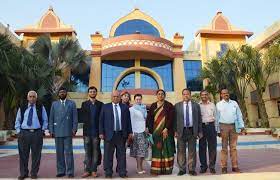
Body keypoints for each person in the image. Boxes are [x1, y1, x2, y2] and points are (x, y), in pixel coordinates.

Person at [15, 90, 48, 180]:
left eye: (34, 97)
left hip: (37, 133)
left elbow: (45, 120)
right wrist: (19, 131)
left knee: (36, 155)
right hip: (24, 133)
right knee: (23, 155)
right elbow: (17, 120)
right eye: (30, 96)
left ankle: (34, 173)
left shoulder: (41, 107)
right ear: (27, 98)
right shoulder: (22, 107)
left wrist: (42, 130)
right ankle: (23, 173)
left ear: (36, 98)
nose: (32, 98)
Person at [99, 90, 133, 178]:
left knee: (121, 155)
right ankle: (108, 172)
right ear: (111, 97)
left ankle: (122, 172)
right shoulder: (105, 107)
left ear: (120, 97)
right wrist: (101, 132)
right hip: (109, 135)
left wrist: (130, 132)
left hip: (121, 135)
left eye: (117, 96)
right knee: (108, 155)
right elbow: (101, 121)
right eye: (114, 96)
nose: (115, 98)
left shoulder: (124, 107)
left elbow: (128, 121)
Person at [49, 87, 78, 178]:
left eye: (63, 92)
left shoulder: (72, 103)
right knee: (59, 152)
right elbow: (51, 118)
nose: (62, 93)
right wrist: (51, 130)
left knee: (69, 152)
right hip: (57, 131)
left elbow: (75, 117)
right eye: (60, 92)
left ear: (66, 93)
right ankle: (61, 171)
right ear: (58, 94)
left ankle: (70, 171)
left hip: (68, 131)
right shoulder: (54, 104)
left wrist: (74, 129)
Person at [146, 89, 175, 175]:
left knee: (167, 149)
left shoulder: (169, 105)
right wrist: (150, 130)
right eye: (159, 94)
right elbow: (149, 119)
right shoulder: (153, 106)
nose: (160, 95)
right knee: (157, 150)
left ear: (165, 95)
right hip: (156, 133)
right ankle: (156, 169)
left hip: (167, 132)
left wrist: (166, 128)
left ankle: (167, 169)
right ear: (157, 95)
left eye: (162, 94)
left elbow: (171, 118)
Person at [174, 88, 202, 176]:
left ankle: (191, 169)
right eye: (184, 94)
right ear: (182, 95)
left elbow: (199, 120)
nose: (186, 95)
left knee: (192, 151)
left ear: (190, 95)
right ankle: (182, 169)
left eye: (187, 94)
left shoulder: (196, 105)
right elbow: (174, 120)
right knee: (181, 151)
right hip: (181, 132)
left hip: (192, 131)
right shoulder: (177, 106)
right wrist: (175, 131)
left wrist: (199, 131)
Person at [216, 88, 245, 174]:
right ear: (221, 95)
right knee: (224, 148)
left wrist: (242, 125)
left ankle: (235, 166)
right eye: (224, 93)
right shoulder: (218, 105)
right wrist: (217, 130)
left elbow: (239, 114)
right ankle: (224, 167)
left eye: (227, 93)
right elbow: (217, 118)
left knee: (233, 147)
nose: (226, 94)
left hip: (234, 126)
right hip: (223, 126)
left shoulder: (234, 103)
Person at [80, 86, 103, 178]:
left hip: (96, 133)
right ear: (88, 93)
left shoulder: (101, 104)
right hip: (87, 133)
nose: (92, 93)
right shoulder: (84, 104)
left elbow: (102, 119)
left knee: (95, 152)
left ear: (96, 93)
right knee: (87, 152)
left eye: (94, 91)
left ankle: (94, 170)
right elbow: (82, 117)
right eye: (91, 91)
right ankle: (87, 170)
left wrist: (102, 132)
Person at [129, 94, 149, 174]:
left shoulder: (144, 108)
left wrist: (147, 128)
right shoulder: (132, 109)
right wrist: (132, 133)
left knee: (143, 151)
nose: (138, 101)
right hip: (136, 132)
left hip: (144, 132)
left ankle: (141, 166)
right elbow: (131, 121)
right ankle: (138, 167)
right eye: (137, 99)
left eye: (139, 99)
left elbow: (145, 120)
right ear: (134, 100)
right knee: (138, 151)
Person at [198, 90, 217, 174]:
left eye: (206, 94)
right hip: (201, 127)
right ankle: (203, 166)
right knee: (202, 147)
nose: (204, 96)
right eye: (202, 95)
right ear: (200, 96)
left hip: (211, 126)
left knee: (212, 147)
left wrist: (217, 129)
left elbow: (216, 117)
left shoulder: (212, 105)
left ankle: (212, 166)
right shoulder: (197, 106)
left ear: (208, 95)